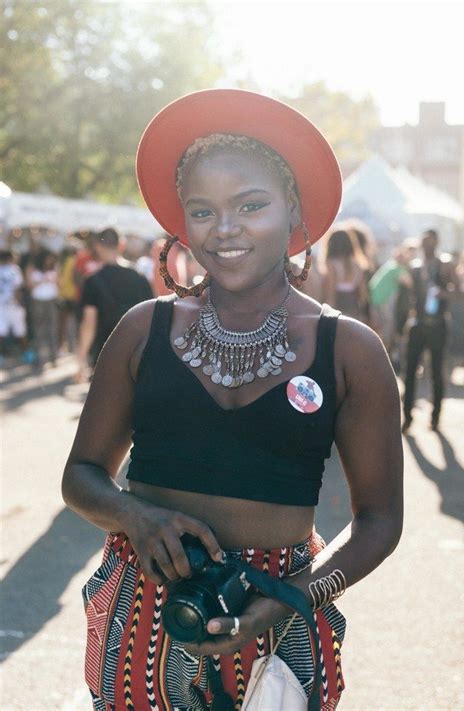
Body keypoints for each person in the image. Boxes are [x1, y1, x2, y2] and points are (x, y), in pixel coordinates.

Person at [62, 90, 403, 710]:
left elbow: (380, 521)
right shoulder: (144, 329)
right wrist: (136, 516)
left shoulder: (350, 350)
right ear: (183, 223)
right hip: (144, 609)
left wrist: (291, 597)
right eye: (203, 211)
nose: (225, 230)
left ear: (293, 207)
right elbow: (82, 476)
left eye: (251, 205)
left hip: (286, 616)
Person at [76, 228, 153, 381]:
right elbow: (151, 316)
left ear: (98, 246)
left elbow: (89, 324)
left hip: (105, 354)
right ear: (121, 245)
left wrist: (81, 359)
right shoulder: (140, 278)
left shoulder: (93, 281)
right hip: (138, 353)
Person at [402, 229, 459, 432]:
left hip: (438, 324)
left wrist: (444, 292)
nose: (427, 246)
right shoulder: (416, 267)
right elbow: (409, 296)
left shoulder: (444, 265)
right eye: (424, 242)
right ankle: (407, 416)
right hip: (418, 324)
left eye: (431, 242)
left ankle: (435, 417)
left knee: (436, 371)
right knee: (409, 372)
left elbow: (457, 292)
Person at [320, 226, 369, 321]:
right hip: (353, 303)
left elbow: (331, 289)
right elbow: (363, 293)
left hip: (338, 301)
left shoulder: (332, 263)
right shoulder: (358, 264)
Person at [27, 248, 59, 368]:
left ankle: (53, 357)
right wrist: (42, 280)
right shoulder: (33, 268)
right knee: (39, 330)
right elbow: (29, 284)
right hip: (38, 301)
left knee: (52, 329)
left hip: (51, 300)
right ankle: (40, 358)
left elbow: (58, 283)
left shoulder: (54, 267)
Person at [0, 250, 27, 359]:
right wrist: (19, 302)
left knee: (1, 332)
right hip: (13, 305)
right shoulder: (14, 270)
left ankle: (1, 355)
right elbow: (18, 288)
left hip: (2, 305)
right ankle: (27, 354)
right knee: (20, 331)